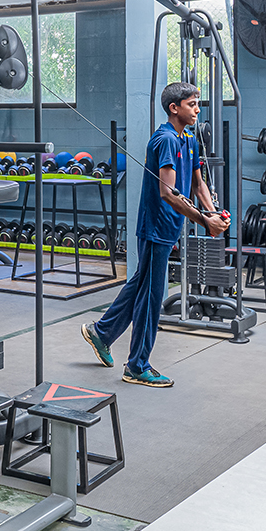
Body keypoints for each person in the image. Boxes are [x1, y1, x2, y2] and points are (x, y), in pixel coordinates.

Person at [80, 81, 229, 387]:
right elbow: (168, 194)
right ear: (174, 108)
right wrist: (205, 222)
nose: (198, 110)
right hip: (156, 228)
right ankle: (137, 365)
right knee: (151, 296)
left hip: (170, 227)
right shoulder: (165, 141)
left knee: (141, 285)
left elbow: (198, 183)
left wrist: (212, 212)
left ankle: (102, 332)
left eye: (198, 104)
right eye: (192, 105)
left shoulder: (189, 138)